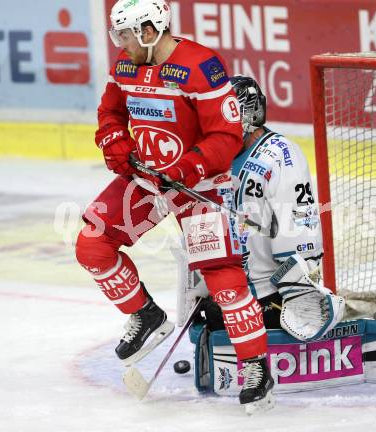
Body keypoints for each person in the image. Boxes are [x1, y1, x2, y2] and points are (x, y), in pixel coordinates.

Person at [74, 0, 273, 413]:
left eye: (125, 35)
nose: (120, 43)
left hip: (199, 185)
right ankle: (146, 315)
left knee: (223, 276)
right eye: (117, 35)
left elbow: (226, 135)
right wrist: (114, 142)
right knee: (92, 243)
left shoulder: (201, 66)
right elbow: (110, 111)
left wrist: (187, 167)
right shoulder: (126, 67)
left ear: (149, 31)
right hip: (147, 182)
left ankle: (256, 366)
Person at [199, 75, 345, 341]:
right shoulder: (212, 159)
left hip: (269, 297)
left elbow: (300, 225)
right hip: (228, 291)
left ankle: (304, 300)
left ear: (246, 117)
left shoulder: (280, 155)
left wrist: (299, 297)